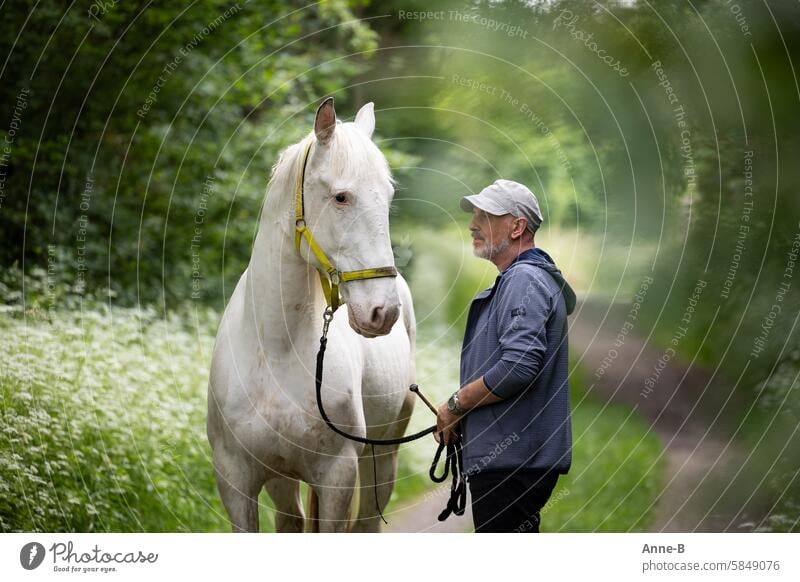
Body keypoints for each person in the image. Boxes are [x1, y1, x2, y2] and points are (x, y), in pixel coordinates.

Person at [435, 179, 576, 533]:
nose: (472, 224)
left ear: (517, 227)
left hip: (512, 462)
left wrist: (456, 405)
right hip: (512, 460)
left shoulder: (523, 280)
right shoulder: (520, 279)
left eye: (485, 216)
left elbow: (518, 365)